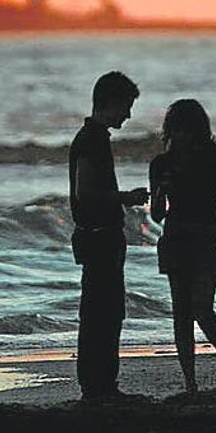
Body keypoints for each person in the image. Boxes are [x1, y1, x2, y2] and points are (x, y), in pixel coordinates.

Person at [149, 98, 216, 394]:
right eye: (176, 130)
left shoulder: (213, 155)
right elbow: (157, 215)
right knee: (181, 312)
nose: (181, 136)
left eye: (186, 129)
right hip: (175, 238)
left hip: (207, 237)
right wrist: (160, 193)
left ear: (198, 130)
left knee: (201, 307)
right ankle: (190, 383)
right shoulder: (160, 164)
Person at [69, 71, 149, 402]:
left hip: (99, 237)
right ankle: (99, 387)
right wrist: (124, 198)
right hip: (100, 238)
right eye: (126, 106)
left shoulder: (93, 137)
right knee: (103, 313)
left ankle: (100, 386)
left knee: (102, 312)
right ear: (111, 103)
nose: (128, 115)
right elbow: (85, 191)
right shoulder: (92, 140)